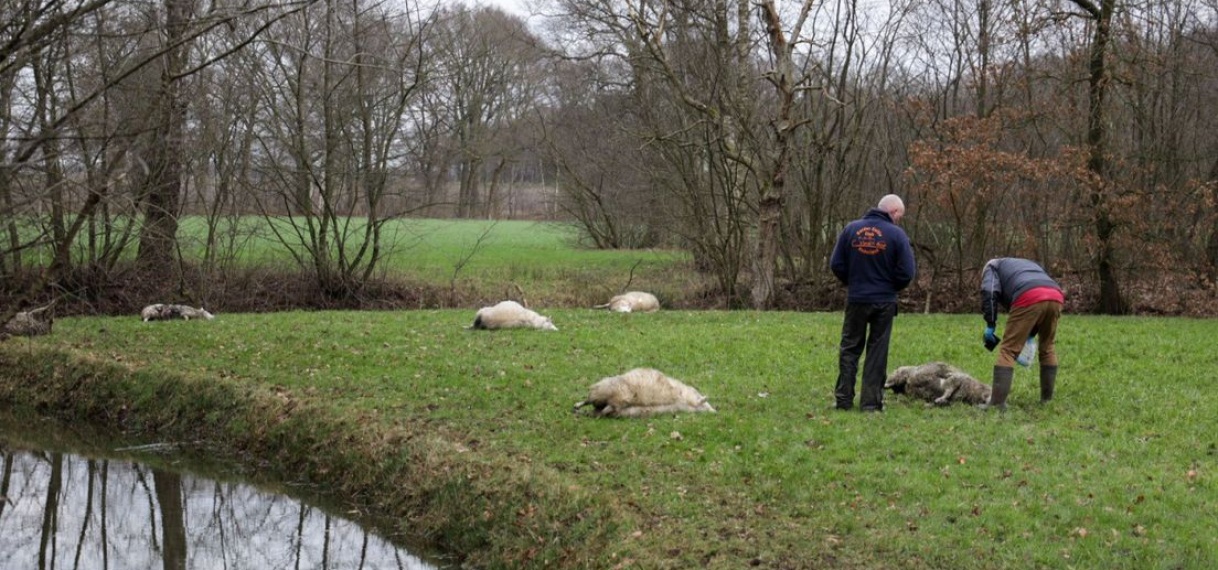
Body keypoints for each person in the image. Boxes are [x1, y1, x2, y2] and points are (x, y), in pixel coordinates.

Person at [829, 194, 916, 412]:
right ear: (894, 212)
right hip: (884, 302)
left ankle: (843, 400)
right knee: (877, 352)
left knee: (849, 349)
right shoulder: (897, 235)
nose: (899, 220)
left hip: (857, 298)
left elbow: (836, 263)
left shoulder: (851, 229)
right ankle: (870, 403)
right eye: (900, 216)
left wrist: (853, 282)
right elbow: (907, 272)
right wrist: (890, 287)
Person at [979, 257, 1065, 410]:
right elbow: (1038, 291)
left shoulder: (992, 268)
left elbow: (989, 291)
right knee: (1047, 347)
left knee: (1008, 350)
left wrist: (990, 324)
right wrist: (1030, 333)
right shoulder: (1026, 264)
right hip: (1055, 294)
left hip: (1029, 295)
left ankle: (997, 404)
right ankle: (1047, 400)